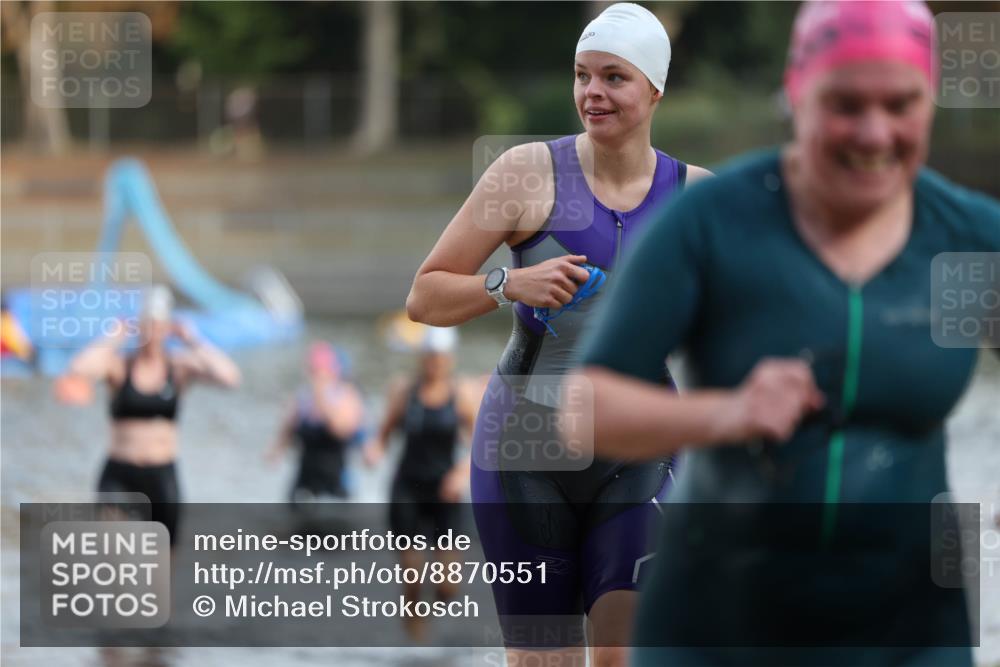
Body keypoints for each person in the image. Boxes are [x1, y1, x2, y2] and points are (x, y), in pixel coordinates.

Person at [566, 2, 1000, 665]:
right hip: (719, 629)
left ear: (930, 98)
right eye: (845, 104)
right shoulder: (714, 222)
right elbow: (583, 409)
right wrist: (727, 411)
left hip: (912, 634)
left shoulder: (969, 239)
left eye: (901, 103)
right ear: (796, 93)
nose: (875, 132)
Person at [406, 4, 710, 664]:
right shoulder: (525, 174)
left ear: (655, 88)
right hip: (524, 452)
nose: (591, 93)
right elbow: (424, 296)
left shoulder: (698, 199)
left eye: (613, 78)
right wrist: (506, 284)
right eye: (581, 75)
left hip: (639, 451)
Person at [62, 285, 241, 545]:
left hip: (161, 475)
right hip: (120, 474)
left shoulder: (178, 367)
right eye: (146, 325)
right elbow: (78, 368)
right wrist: (113, 337)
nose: (151, 333)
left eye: (157, 326)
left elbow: (230, 378)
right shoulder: (120, 366)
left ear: (168, 328)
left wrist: (193, 339)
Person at [364, 325, 479, 641]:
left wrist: (460, 473)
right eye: (429, 357)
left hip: (446, 491)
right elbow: (384, 432)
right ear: (421, 358)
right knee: (412, 578)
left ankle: (438, 638)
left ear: (449, 359)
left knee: (447, 586)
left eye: (440, 358)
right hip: (408, 488)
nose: (434, 364)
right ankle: (414, 644)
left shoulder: (462, 393)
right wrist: (374, 449)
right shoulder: (404, 391)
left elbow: (483, 445)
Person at [268, 341, 365, 502]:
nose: (315, 376)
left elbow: (340, 429)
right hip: (305, 476)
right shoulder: (302, 397)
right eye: (312, 371)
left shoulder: (346, 395)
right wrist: (277, 450)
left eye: (319, 371)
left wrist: (320, 396)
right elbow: (288, 428)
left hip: (336, 478)